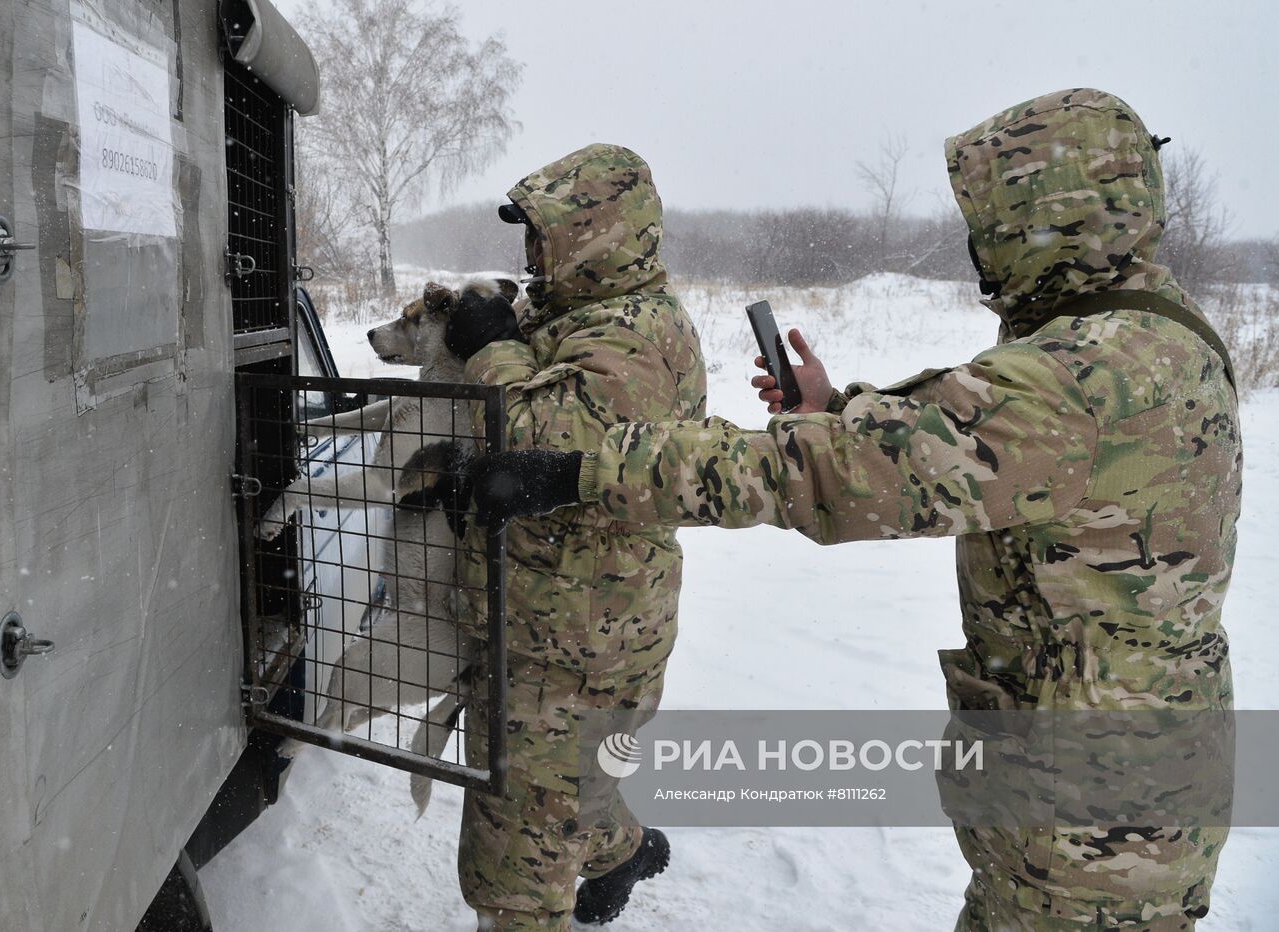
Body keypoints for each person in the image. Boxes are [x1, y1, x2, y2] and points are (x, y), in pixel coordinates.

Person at [465, 89, 1241, 930]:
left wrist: (585, 472)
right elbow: (968, 449)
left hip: (1093, 818)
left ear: (1046, 217)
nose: (980, 242)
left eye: (992, 217)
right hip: (1125, 771)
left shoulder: (1077, 374)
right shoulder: (1150, 338)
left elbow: (838, 476)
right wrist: (838, 405)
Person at [442, 143, 708, 931]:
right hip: (585, 625)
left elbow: (538, 448)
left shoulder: (624, 341)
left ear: (596, 236)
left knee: (518, 872)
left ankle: (585, 865)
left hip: (569, 644)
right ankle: (619, 849)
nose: (529, 257)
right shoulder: (601, 315)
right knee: (574, 788)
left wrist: (490, 348)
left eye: (543, 238)